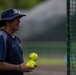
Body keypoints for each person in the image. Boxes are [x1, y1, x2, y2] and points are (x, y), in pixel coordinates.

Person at [0, 8, 34, 75]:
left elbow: (17, 62)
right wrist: (19, 68)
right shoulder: (2, 37)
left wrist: (25, 66)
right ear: (7, 21)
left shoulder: (17, 38)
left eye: (19, 18)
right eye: (15, 18)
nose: (19, 21)